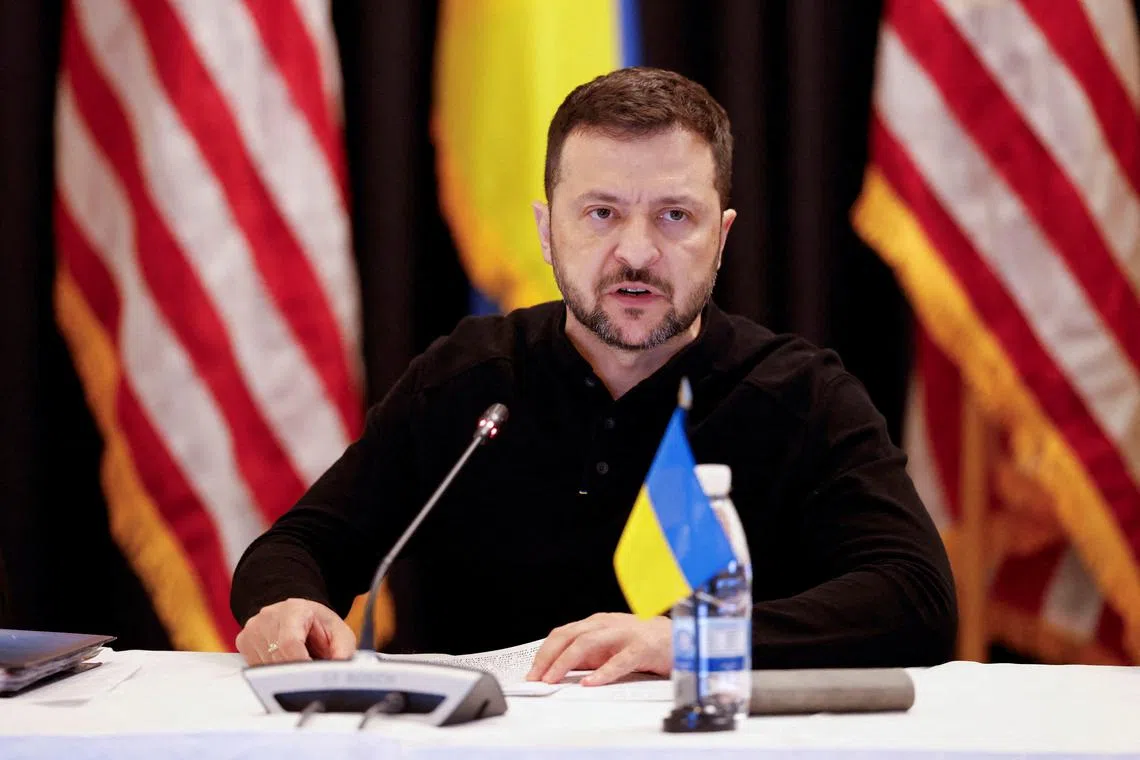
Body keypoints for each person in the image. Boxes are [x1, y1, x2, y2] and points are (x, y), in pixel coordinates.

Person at [230, 67, 957, 684]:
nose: (635, 253)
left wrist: (689, 644)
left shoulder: (800, 397)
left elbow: (917, 600)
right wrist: (290, 606)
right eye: (601, 214)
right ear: (548, 233)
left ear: (723, 236)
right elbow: (294, 550)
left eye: (675, 216)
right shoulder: (469, 379)